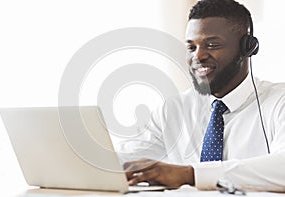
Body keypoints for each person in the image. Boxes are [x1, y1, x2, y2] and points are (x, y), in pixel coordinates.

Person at [120, 0, 285, 192]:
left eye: (212, 45)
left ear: (246, 48)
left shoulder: (279, 101)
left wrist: (190, 174)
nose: (198, 57)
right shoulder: (173, 109)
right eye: (191, 47)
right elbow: (127, 160)